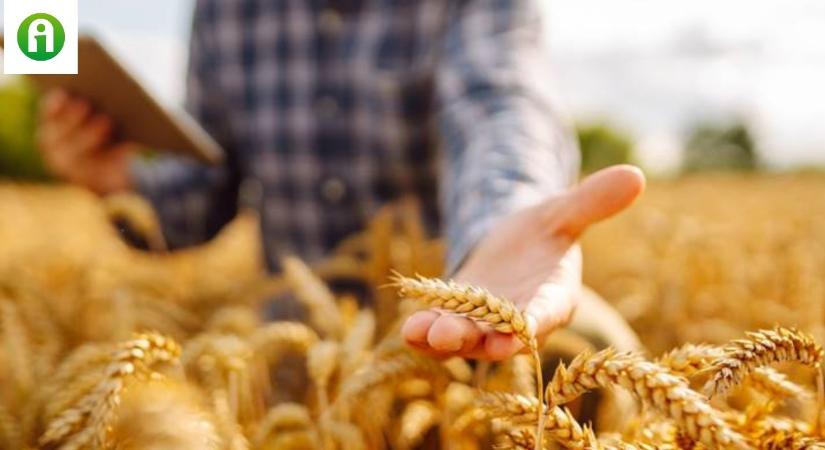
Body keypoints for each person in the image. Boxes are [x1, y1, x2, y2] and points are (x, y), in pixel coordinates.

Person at [36, 0, 645, 362]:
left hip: (475, 302)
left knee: (604, 362)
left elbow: (498, 105)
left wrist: (503, 219)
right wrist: (113, 179)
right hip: (298, 339)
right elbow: (204, 194)